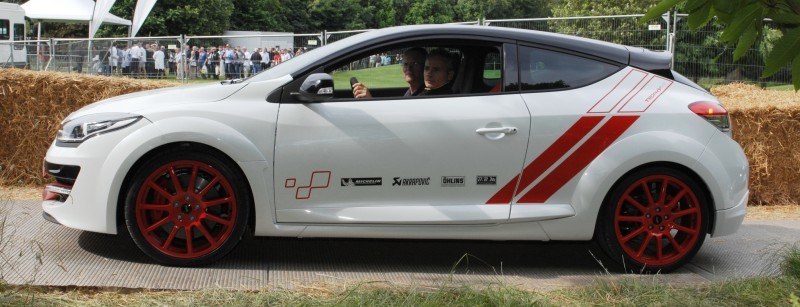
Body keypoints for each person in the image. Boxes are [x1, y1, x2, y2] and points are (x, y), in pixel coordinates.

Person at [352, 47, 427, 99]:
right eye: (405, 64)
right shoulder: (411, 92)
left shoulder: (425, 96)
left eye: (415, 63)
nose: (409, 68)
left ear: (425, 67)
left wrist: (370, 99)